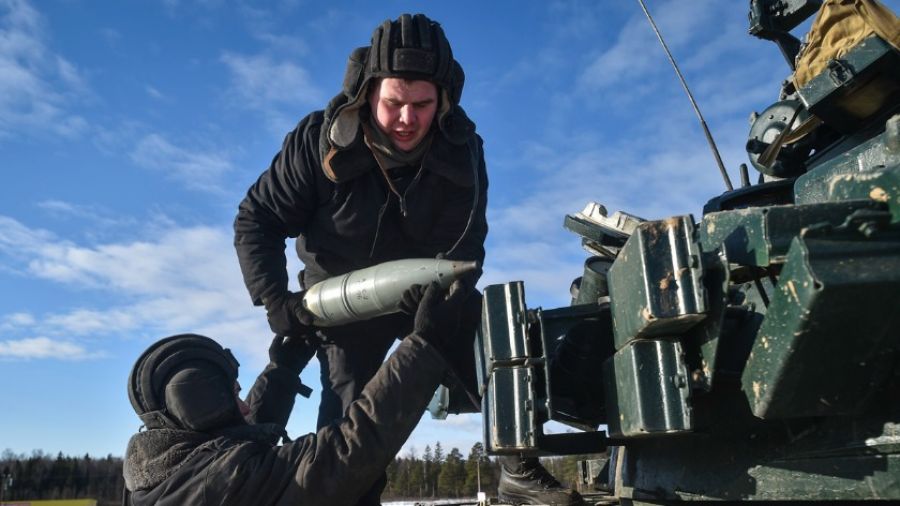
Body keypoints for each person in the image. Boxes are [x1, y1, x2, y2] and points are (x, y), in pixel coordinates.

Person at [233, 12, 580, 506]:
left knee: (493, 341)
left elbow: (467, 246)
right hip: (342, 303)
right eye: (394, 102)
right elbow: (256, 219)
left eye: (422, 104)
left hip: (427, 293)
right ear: (368, 94)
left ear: (443, 101)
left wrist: (442, 306)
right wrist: (274, 300)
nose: (406, 120)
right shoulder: (317, 142)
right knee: (350, 425)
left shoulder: (463, 151)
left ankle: (516, 466)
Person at [123, 283, 473, 506]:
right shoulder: (224, 483)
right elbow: (348, 450)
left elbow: (237, 446)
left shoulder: (155, 479)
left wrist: (283, 372)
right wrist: (424, 346)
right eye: (233, 396)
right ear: (203, 408)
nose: (244, 406)